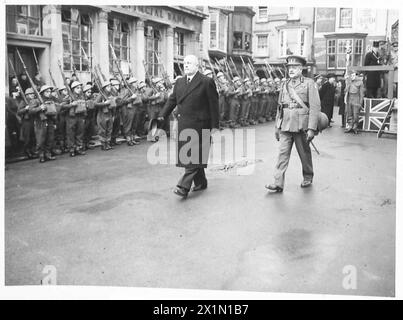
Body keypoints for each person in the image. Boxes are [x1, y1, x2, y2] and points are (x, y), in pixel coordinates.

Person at [158, 54, 219, 198]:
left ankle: (183, 187)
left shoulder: (206, 81)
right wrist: (162, 115)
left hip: (201, 125)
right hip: (184, 125)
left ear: (197, 66)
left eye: (189, 63)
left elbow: (214, 106)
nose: (186, 65)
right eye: (185, 63)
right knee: (189, 155)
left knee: (193, 157)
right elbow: (172, 101)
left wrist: (215, 126)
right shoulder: (179, 82)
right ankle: (201, 182)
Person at [265, 55, 320, 192]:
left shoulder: (309, 83)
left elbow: (314, 107)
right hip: (285, 124)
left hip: (301, 125)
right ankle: (278, 183)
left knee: (304, 153)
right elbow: (280, 106)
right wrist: (277, 126)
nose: (291, 70)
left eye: (294, 67)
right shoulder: (284, 84)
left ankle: (308, 176)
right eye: (289, 67)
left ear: (301, 69)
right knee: (282, 154)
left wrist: (312, 128)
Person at [29, 85, 57, 163]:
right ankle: (41, 155)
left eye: (50, 92)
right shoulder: (36, 101)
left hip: (50, 121)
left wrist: (54, 122)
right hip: (40, 122)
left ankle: (48, 154)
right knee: (41, 140)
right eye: (47, 92)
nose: (49, 93)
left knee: (50, 139)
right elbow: (31, 111)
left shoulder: (51, 100)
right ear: (42, 92)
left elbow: (54, 112)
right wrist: (40, 108)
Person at [17, 88, 38, 158]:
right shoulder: (24, 102)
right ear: (27, 95)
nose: (32, 95)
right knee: (27, 137)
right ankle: (27, 151)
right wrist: (26, 108)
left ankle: (31, 150)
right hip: (26, 121)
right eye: (30, 94)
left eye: (32, 94)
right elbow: (19, 112)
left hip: (33, 120)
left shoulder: (34, 101)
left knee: (32, 137)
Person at [344, 70, 364, 134]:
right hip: (349, 98)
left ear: (356, 75)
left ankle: (355, 127)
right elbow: (345, 91)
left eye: (353, 75)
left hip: (356, 98)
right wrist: (347, 82)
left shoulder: (360, 82)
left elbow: (361, 94)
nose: (352, 76)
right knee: (349, 114)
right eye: (351, 75)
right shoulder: (349, 82)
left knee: (356, 114)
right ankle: (350, 126)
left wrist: (360, 103)